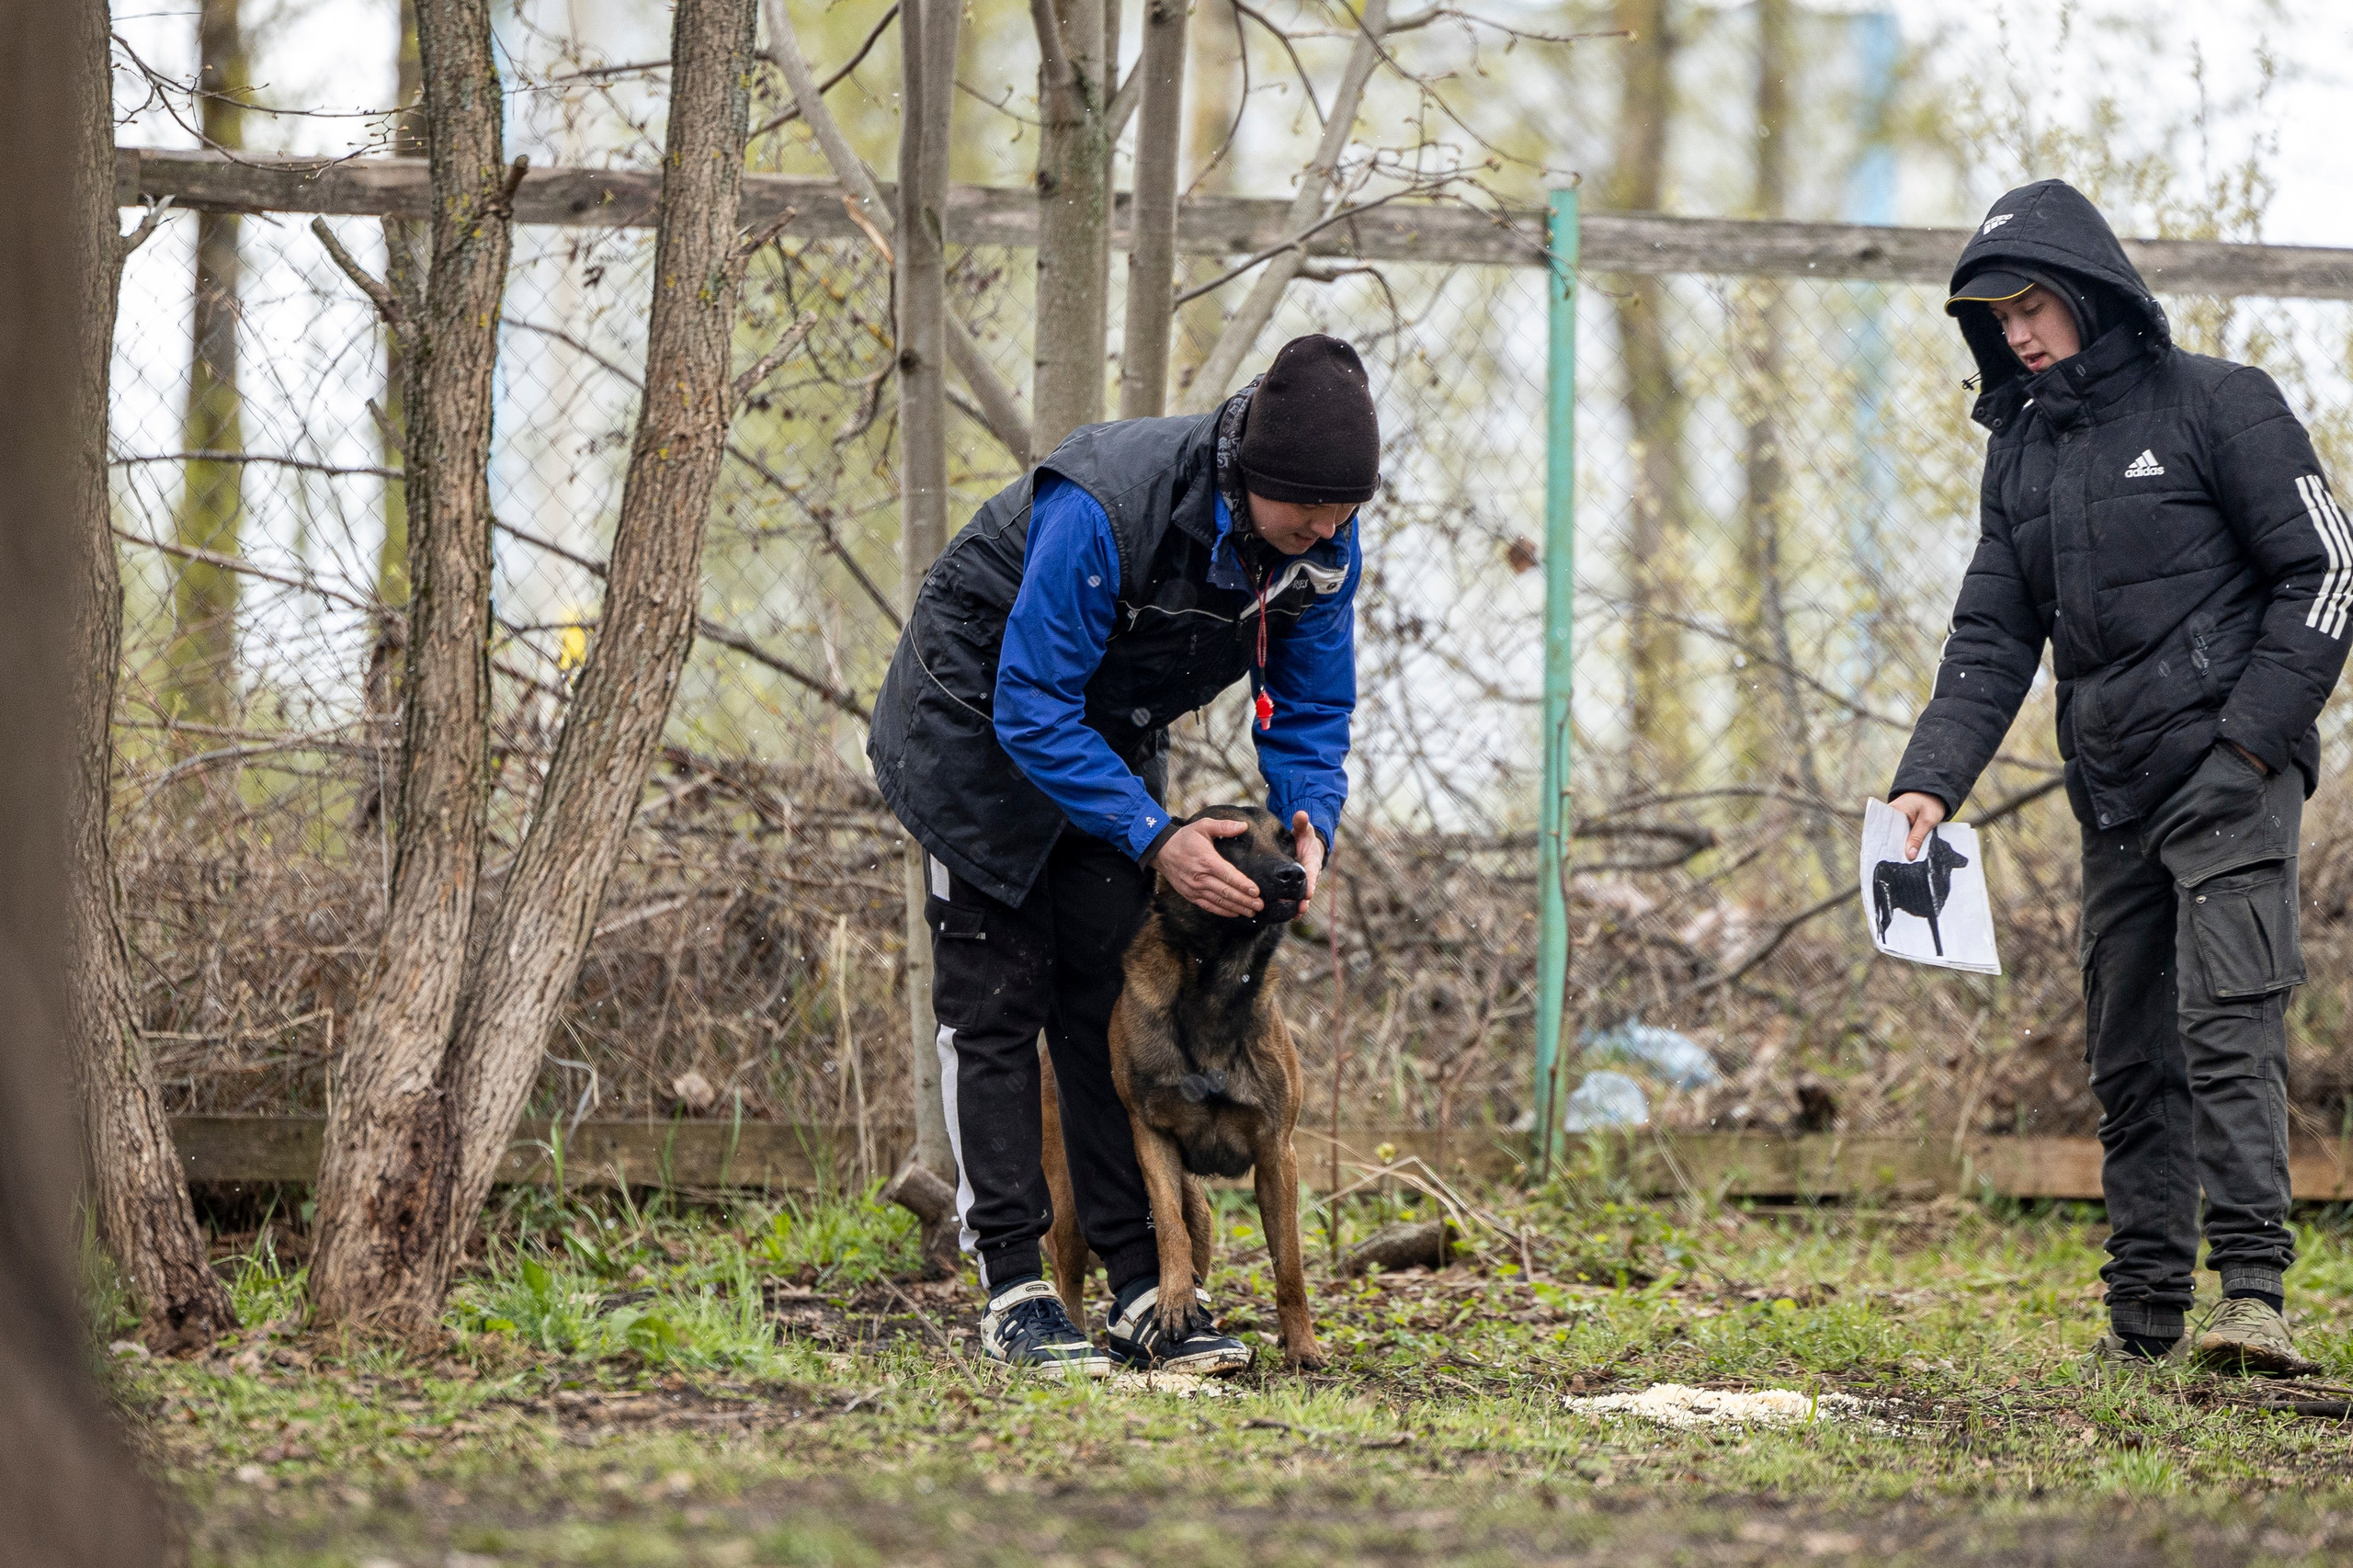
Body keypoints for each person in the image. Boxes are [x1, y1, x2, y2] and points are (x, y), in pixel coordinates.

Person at [1888, 178, 2349, 1375]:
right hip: (2115, 788)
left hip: (2234, 773)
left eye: (2032, 305)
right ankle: (2144, 1323)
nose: (2018, 334)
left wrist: (2249, 740)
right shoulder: (2022, 460)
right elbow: (1991, 637)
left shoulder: (2220, 405)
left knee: (2226, 1023)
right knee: (2130, 1048)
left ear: (2088, 292)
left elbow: (2329, 575)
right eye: (1996, 319)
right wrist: (1927, 780)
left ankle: (2254, 1299)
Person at [868, 335, 1374, 1375]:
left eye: (1344, 515)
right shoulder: (1107, 504)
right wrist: (1154, 834)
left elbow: (1311, 701)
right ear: (1250, 481)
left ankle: (1145, 1288)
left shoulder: (1320, 542)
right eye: (1308, 515)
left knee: (1109, 996)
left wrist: (1310, 808)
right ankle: (1015, 1287)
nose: (1328, 534)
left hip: (1104, 727)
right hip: (974, 720)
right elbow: (1030, 702)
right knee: (995, 997)